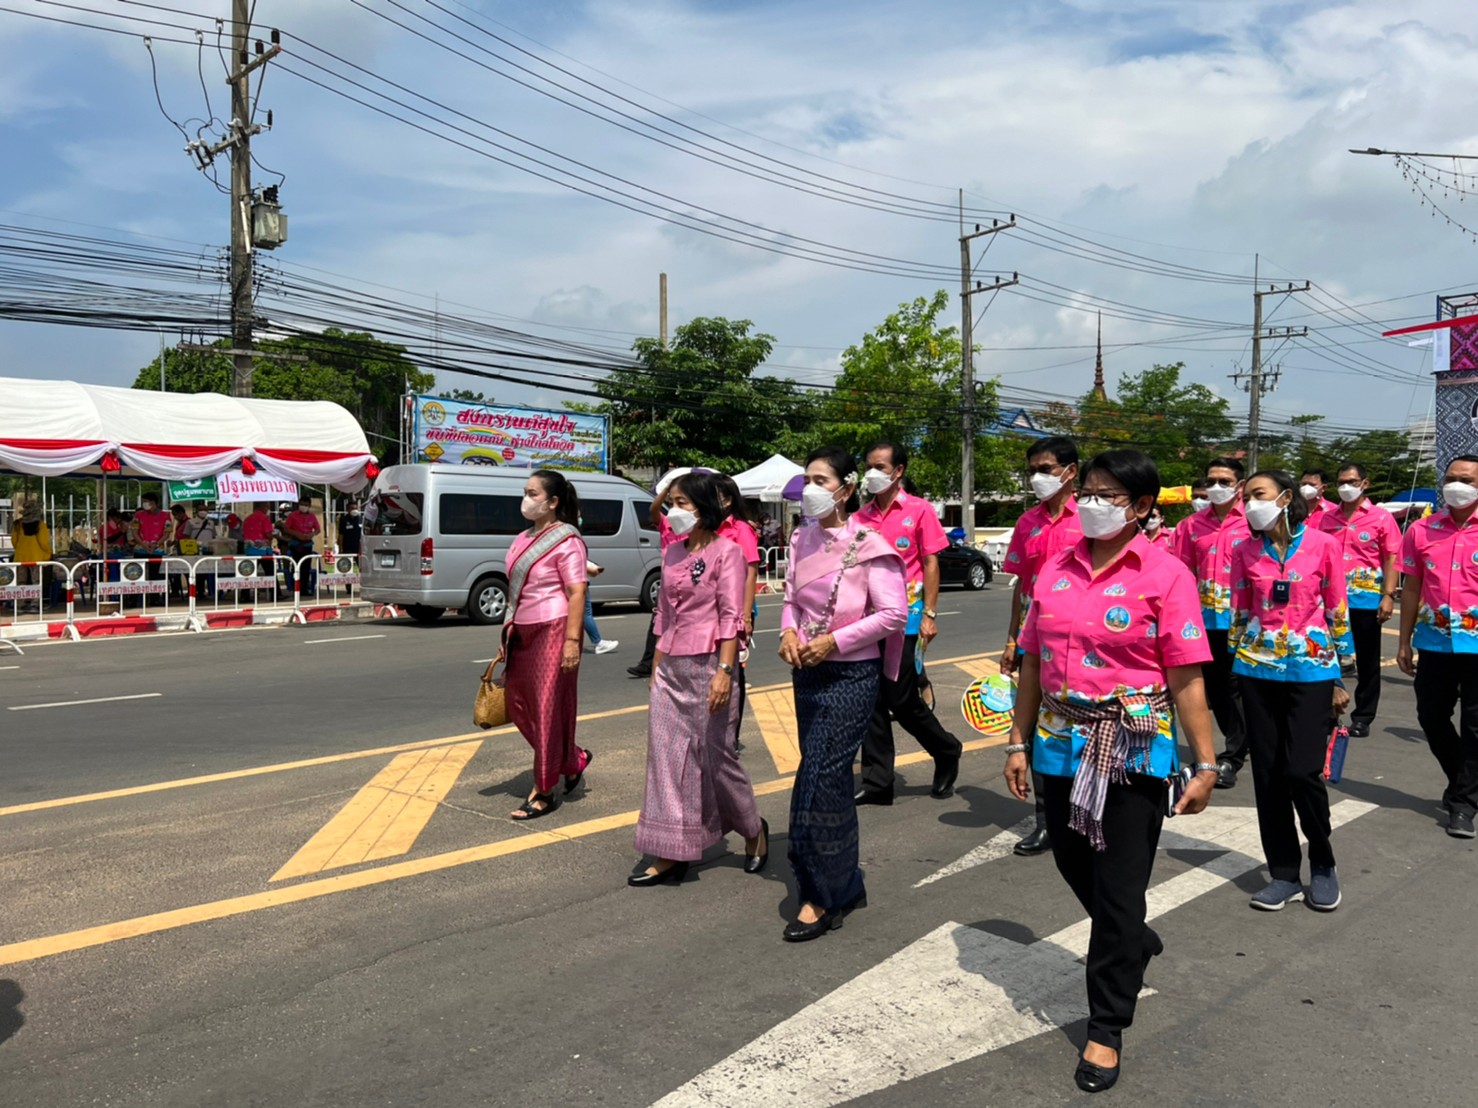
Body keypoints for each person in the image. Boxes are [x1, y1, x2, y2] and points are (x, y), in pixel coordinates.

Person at [1002, 449, 1218, 1094]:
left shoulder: (1166, 574)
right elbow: (1034, 664)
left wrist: (1204, 762)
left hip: (1133, 750)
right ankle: (1132, 941)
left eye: (1109, 495)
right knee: (1075, 866)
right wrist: (1016, 742)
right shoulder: (1056, 570)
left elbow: (1185, 677)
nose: (1092, 503)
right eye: (1087, 492)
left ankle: (1106, 1026)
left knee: (1119, 889)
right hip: (1059, 745)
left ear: (1143, 506)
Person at [779, 447, 907, 942]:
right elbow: (790, 598)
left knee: (818, 777)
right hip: (806, 673)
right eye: (805, 479)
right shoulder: (799, 538)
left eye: (820, 479)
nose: (810, 489)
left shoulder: (870, 545)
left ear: (846, 489)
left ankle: (819, 894)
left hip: (852, 676)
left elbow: (892, 614)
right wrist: (789, 634)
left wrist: (836, 640)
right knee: (828, 781)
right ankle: (845, 882)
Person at [630, 471, 766, 886]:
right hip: (671, 667)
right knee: (667, 760)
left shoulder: (729, 552)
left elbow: (730, 617)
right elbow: (664, 615)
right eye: (670, 503)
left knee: (718, 758)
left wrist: (726, 672)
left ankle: (754, 829)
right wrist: (656, 664)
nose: (673, 511)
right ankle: (673, 851)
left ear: (705, 507)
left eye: (683, 503)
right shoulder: (671, 553)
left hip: (712, 664)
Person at [1229, 470, 1353, 911]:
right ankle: (1283, 871)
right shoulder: (1243, 550)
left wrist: (1343, 672)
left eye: (1257, 495)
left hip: (1312, 670)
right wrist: (1232, 660)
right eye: (1245, 497)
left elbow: (1337, 606)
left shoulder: (1324, 545)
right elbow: (1240, 606)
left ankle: (1322, 860)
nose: (1249, 503)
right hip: (1256, 670)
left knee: (1302, 771)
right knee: (1268, 775)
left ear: (1284, 497)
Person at [853, 440, 964, 804]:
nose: (873, 473)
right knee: (869, 700)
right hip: (866, 620)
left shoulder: (919, 511)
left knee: (901, 699)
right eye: (869, 465)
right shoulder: (859, 516)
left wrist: (930, 614)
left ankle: (945, 749)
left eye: (880, 467)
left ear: (898, 471)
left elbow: (931, 563)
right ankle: (878, 781)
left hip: (907, 618)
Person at [999, 435, 1084, 854]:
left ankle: (1087, 810)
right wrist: (1012, 638)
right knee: (1034, 727)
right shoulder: (1027, 522)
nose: (1037, 477)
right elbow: (1021, 587)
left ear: (1071, 472)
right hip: (1036, 641)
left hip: (1083, 640)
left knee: (1081, 723)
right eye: (1032, 470)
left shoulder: (1091, 518)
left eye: (1045, 469)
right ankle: (1047, 819)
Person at [493, 470, 592, 820]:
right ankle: (572, 758)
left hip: (553, 628)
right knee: (519, 704)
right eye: (525, 492)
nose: (526, 499)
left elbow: (577, 592)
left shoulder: (568, 541)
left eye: (533, 493)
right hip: (522, 628)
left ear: (552, 502)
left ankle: (544, 789)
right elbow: (515, 589)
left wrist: (571, 641)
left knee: (547, 709)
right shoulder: (522, 538)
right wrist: (507, 634)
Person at [1396, 455, 1478, 838]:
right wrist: (1404, 640)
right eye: (1451, 477)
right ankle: (1464, 778)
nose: (1457, 485)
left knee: (1476, 727)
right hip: (1434, 643)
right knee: (1431, 716)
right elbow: (1411, 588)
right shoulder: (1421, 531)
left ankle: (1463, 803)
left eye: (1467, 479)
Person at [1176, 457, 1252, 790]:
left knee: (1238, 689)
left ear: (1240, 485)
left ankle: (1234, 756)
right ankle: (1229, 748)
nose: (1216, 487)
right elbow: (1179, 573)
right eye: (1211, 480)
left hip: (1244, 621)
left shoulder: (1254, 522)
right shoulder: (1190, 526)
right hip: (1203, 622)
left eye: (1224, 480)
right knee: (1215, 690)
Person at [1313, 462, 1401, 737]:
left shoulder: (1381, 518)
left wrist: (1388, 595)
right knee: (1326, 658)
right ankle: (1326, 712)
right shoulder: (1326, 519)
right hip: (1330, 602)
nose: (1345, 487)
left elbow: (1391, 557)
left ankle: (1363, 716)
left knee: (1367, 660)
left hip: (1365, 600)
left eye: (1351, 481)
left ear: (1365, 483)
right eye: (1341, 482)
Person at [9, 502, 51, 613]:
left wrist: (20, 548)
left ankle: (19, 604)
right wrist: (48, 553)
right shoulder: (40, 524)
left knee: (20, 581)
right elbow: (43, 542)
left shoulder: (17, 524)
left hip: (21, 556)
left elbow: (14, 541)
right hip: (36, 556)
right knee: (36, 581)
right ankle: (34, 604)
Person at [280, 496, 322, 600]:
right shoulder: (293, 516)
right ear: (299, 504)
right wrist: (297, 534)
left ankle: (304, 589)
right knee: (296, 567)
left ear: (309, 506)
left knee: (306, 567)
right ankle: (296, 589)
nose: (304, 507)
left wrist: (311, 534)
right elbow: (286, 529)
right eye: (302, 504)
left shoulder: (312, 516)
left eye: (306, 505)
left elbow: (317, 529)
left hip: (307, 544)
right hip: (295, 544)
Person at [583, 561, 619, 654]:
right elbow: (579, 559)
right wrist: (593, 567)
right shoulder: (574, 547)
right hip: (579, 581)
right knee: (585, 613)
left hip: (572, 582)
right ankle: (598, 643)